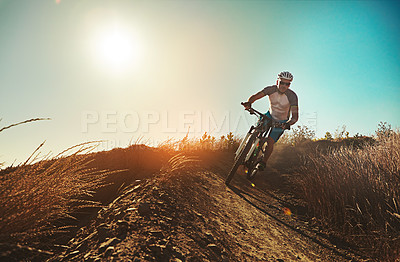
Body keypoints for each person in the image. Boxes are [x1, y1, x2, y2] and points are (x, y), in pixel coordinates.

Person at [242, 71, 298, 171]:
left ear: (290, 84)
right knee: (257, 131)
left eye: (287, 84)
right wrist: (249, 103)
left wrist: (288, 124)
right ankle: (247, 151)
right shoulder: (271, 89)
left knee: (270, 141)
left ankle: (263, 162)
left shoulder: (292, 96)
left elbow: (295, 116)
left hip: (281, 122)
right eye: (282, 82)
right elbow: (255, 96)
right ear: (277, 81)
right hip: (269, 116)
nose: (284, 86)